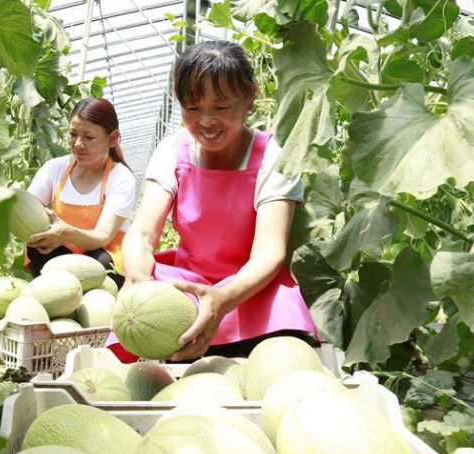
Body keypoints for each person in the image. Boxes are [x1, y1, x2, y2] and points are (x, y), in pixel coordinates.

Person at [107, 40, 318, 363]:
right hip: (187, 285)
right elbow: (143, 234)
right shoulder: (171, 151)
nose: (206, 121)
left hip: (251, 288)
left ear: (250, 98)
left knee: (278, 358)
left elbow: (269, 252)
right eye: (192, 108)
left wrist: (221, 299)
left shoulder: (272, 158)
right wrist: (138, 279)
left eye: (221, 107)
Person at [26, 97, 136, 287]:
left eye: (88, 137)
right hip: (63, 249)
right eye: (73, 134)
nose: (77, 144)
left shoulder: (121, 177)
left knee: (100, 264)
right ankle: (58, 300)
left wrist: (66, 233)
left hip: (105, 252)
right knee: (36, 250)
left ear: (112, 138)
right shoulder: (54, 168)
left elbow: (102, 236)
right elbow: (27, 207)